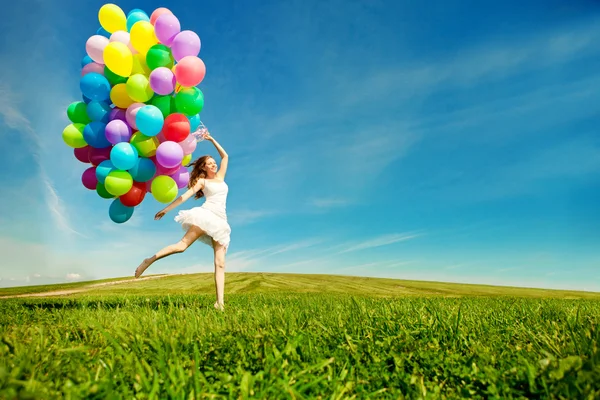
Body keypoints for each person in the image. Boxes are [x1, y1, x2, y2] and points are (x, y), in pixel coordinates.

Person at [134, 131, 230, 311]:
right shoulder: (203, 181)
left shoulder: (221, 178)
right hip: (206, 216)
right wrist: (166, 209)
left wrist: (210, 139)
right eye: (209, 163)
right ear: (204, 168)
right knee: (181, 246)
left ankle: (220, 303)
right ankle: (149, 260)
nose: (214, 164)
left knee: (220, 263)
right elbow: (185, 196)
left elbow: (225, 156)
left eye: (213, 162)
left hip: (221, 221)